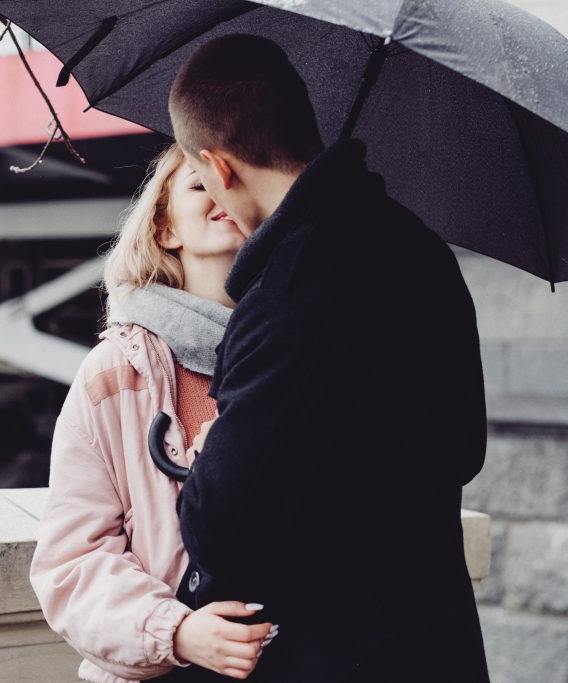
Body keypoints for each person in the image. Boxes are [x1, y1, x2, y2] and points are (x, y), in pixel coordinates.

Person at [165, 35, 490, 682]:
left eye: (204, 180)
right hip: (438, 641)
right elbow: (465, 449)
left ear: (219, 166)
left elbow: (224, 534)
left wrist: (207, 458)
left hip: (334, 654)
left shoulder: (286, 294)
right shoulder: (423, 252)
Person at [30, 143, 276, 683]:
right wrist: (177, 632)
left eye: (240, 183)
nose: (222, 192)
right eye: (199, 183)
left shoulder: (299, 362)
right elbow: (71, 563)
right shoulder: (112, 374)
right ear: (166, 230)